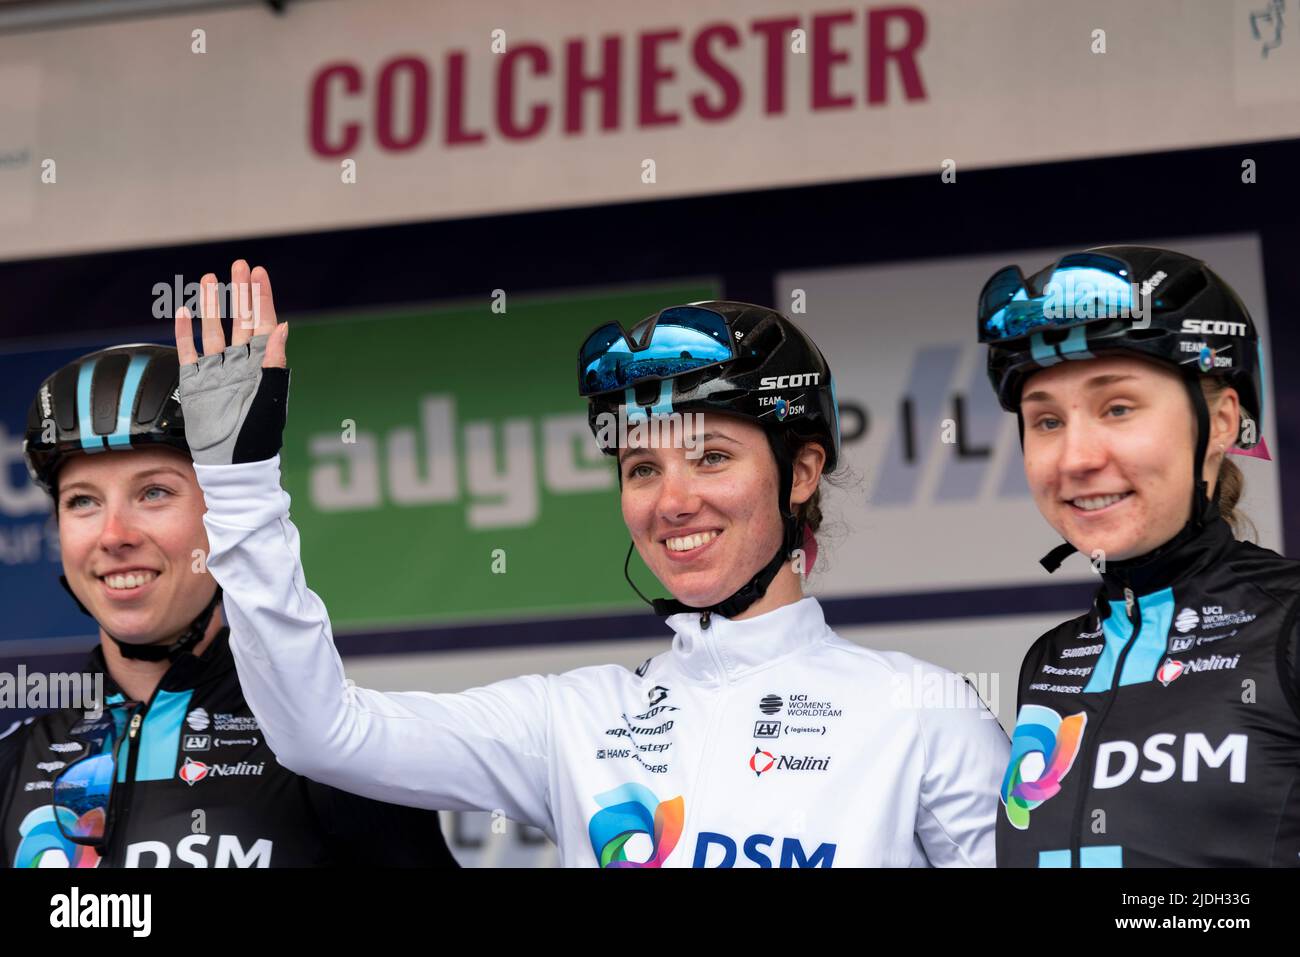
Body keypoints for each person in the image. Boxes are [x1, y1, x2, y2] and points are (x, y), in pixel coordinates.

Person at [170, 260, 1008, 868]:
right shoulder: (574, 720)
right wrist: (241, 488)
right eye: (642, 467)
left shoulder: (920, 713)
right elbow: (323, 732)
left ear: (800, 472)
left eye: (709, 456)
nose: (671, 500)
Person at [0, 343, 459, 868]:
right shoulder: (15, 761)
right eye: (83, 500)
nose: (114, 535)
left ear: (222, 513)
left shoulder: (334, 746)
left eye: (153, 493)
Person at [979, 244, 1300, 867]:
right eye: (1046, 422)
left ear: (1224, 422)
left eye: (1117, 408)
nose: (1076, 458)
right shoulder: (1051, 660)